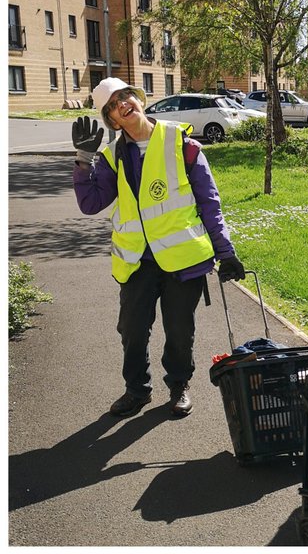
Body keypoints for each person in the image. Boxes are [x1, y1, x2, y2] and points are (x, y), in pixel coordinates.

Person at [72, 77, 245, 418]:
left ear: (137, 99)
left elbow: (209, 204)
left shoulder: (182, 145)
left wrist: (226, 253)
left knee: (180, 332)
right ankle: (137, 390)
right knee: (132, 331)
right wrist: (82, 159)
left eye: (125, 96)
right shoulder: (111, 157)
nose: (122, 104)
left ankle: (179, 386)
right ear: (112, 120)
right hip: (137, 261)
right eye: (113, 105)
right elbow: (91, 203)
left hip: (183, 259)